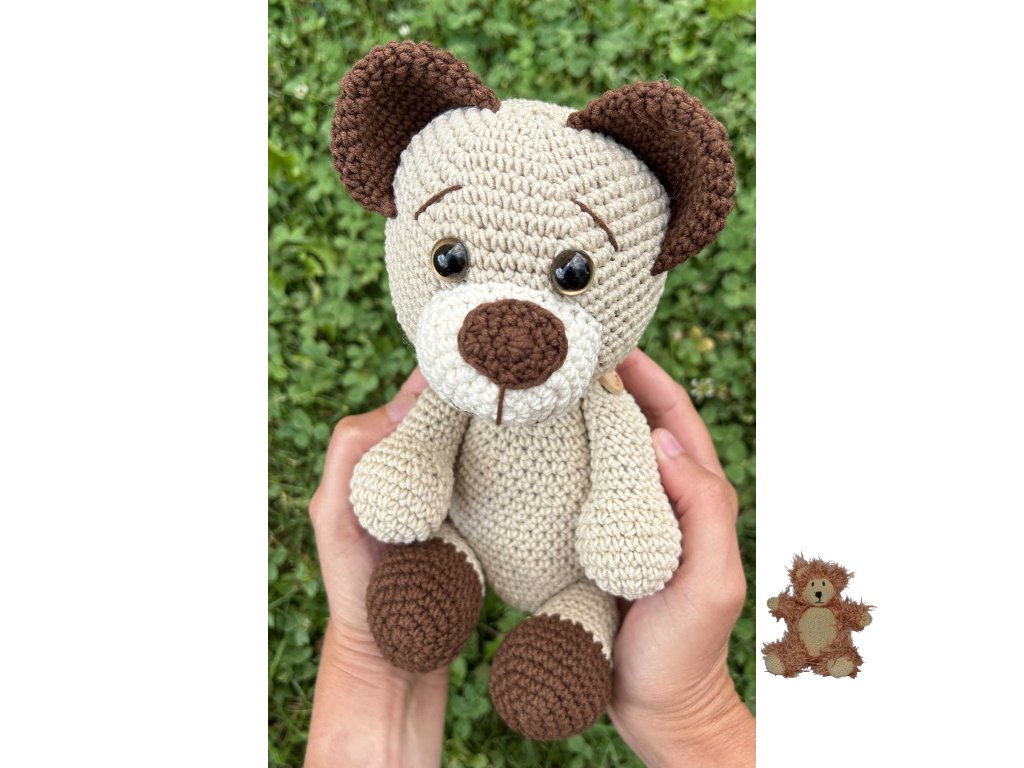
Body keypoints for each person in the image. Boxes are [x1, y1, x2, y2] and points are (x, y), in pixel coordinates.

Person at [304, 350, 755, 767]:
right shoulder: (460, 378)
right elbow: (427, 436)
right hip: (460, 540)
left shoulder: (603, 395)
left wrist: (688, 711)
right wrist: (691, 715)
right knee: (413, 612)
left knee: (550, 685)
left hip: (579, 580)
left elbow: (624, 468)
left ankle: (571, 639)